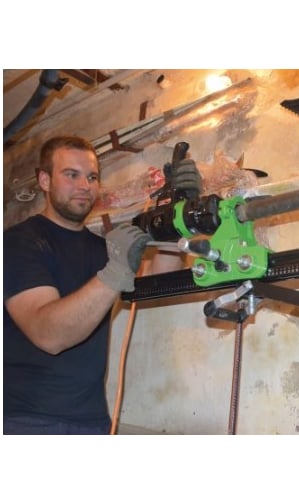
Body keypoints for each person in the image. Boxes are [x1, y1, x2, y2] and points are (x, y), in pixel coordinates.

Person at [3, 135, 200, 434]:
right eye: (71, 175)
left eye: (92, 177)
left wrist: (178, 215)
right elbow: (48, 335)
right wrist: (115, 270)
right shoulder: (18, 242)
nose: (84, 185)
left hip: (92, 420)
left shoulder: (103, 249)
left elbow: (157, 279)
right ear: (44, 180)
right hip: (26, 420)